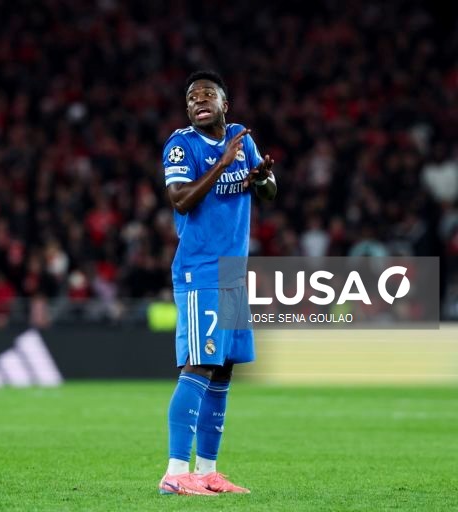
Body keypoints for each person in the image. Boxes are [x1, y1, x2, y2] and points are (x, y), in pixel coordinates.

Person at [157, 70, 276, 496]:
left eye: (207, 94)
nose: (198, 100)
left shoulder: (242, 137)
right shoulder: (181, 145)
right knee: (199, 364)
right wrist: (222, 164)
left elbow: (269, 189)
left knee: (223, 371)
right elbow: (181, 199)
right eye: (191, 97)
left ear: (225, 104)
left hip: (233, 273)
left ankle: (207, 472)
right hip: (201, 269)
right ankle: (175, 472)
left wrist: (261, 177)